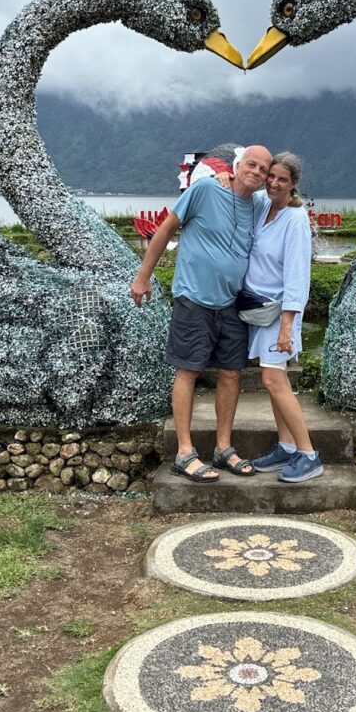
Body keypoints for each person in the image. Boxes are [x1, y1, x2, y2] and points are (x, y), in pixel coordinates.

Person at [130, 145, 272, 483]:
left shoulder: (257, 205)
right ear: (237, 166)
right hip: (193, 298)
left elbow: (287, 201)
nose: (256, 172)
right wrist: (142, 276)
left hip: (232, 304)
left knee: (231, 374)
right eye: (250, 164)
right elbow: (166, 229)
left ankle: (223, 448)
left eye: (263, 169)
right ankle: (184, 452)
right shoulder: (206, 188)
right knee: (188, 371)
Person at [219, 151, 322, 482]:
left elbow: (297, 277)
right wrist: (222, 178)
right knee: (278, 382)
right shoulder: (263, 204)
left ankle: (308, 454)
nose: (275, 182)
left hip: (280, 313)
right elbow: (238, 188)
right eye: (272, 176)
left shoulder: (295, 221)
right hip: (258, 310)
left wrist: (288, 326)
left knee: (272, 380)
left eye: (283, 179)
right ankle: (286, 446)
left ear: (295, 184)